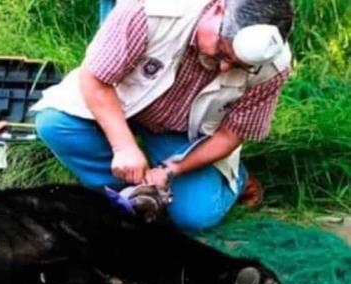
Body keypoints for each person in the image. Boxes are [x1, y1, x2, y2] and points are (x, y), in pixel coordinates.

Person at [31, 0, 294, 231]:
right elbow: (95, 79)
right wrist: (123, 147)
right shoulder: (149, 10)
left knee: (195, 217)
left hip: (185, 131)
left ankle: (237, 180)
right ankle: (129, 193)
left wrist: (171, 170)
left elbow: (230, 135)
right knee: (55, 124)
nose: (225, 67)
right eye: (223, 53)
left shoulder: (272, 67)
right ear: (217, 9)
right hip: (122, 100)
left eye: (239, 66)